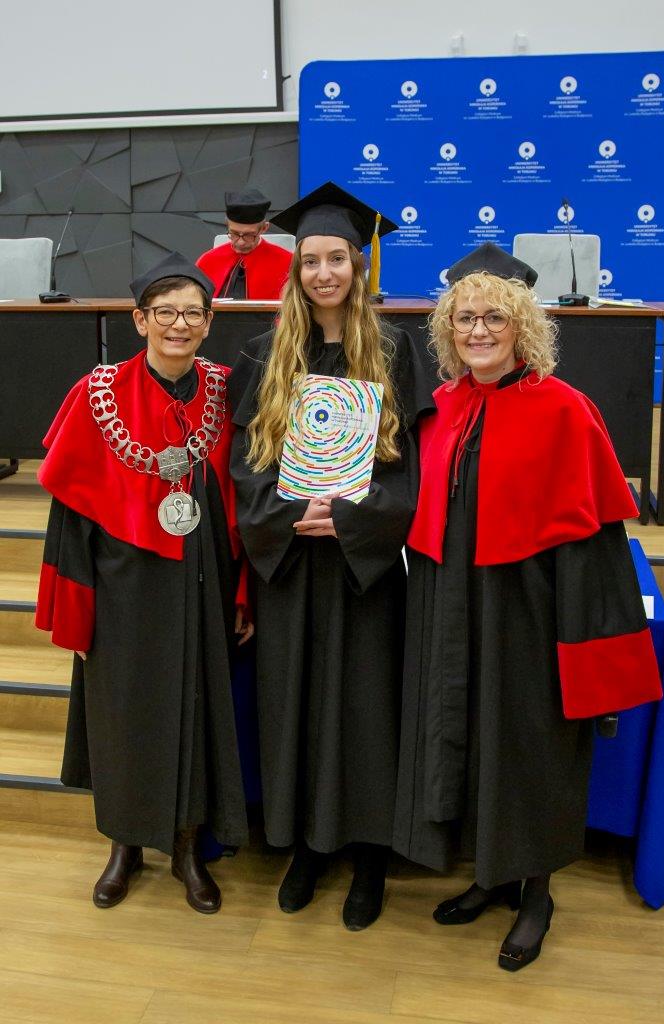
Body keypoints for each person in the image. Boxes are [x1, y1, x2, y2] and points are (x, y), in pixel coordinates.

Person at [393, 242, 662, 970]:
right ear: (448, 328)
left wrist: (582, 638)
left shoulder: (565, 409)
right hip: (451, 602)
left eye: (495, 318)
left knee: (528, 744)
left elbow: (594, 544)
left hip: (531, 611)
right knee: (469, 735)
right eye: (466, 319)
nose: (478, 331)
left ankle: (536, 893)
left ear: (522, 326)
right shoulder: (441, 407)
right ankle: (490, 875)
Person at [228, 181, 434, 930]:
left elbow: (410, 469)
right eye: (311, 260)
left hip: (361, 567)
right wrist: (290, 514)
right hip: (290, 563)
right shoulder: (264, 355)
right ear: (296, 268)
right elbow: (247, 465)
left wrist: (352, 517)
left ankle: (369, 853)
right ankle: (306, 847)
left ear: (359, 265)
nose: (324, 273)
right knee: (293, 703)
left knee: (365, 706)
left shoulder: (397, 352)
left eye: (337, 259)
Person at [35, 252, 252, 914]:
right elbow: (70, 514)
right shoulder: (97, 393)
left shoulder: (227, 391)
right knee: (122, 712)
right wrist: (74, 609)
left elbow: (247, 499)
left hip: (203, 580)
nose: (178, 324)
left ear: (209, 323)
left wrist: (244, 591)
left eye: (192, 313)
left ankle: (186, 848)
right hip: (122, 587)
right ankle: (124, 846)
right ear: (139, 320)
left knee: (197, 707)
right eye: (165, 313)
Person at [197, 187, 293, 299]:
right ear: (227, 225)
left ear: (264, 228)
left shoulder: (288, 263)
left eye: (249, 235)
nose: (241, 242)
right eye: (234, 234)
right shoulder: (207, 261)